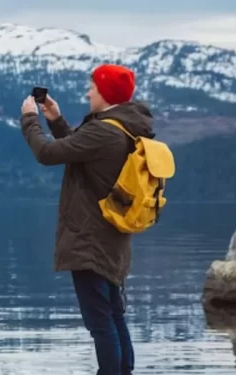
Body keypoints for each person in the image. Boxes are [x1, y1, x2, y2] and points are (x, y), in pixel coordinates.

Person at [19, 64, 155, 375]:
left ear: (105, 93)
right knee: (114, 316)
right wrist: (55, 120)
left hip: (89, 240)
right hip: (113, 237)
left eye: (91, 87)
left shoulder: (104, 130)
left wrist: (30, 120)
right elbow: (80, 152)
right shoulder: (124, 127)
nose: (87, 92)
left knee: (100, 324)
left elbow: (48, 154)